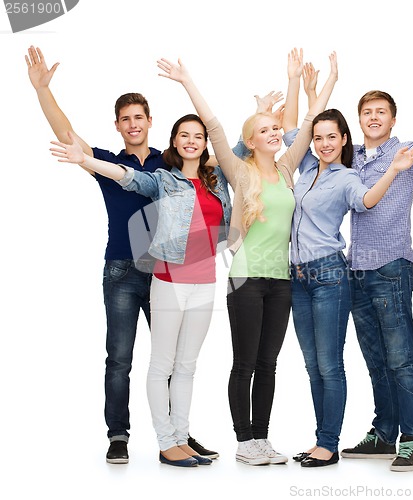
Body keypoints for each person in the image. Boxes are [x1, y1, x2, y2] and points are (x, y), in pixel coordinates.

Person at [25, 45, 218, 463]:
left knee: (175, 359)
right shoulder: (109, 162)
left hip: (172, 273)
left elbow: (213, 154)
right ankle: (118, 434)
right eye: (125, 119)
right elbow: (67, 136)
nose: (133, 124)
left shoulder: (172, 162)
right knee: (121, 357)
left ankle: (178, 434)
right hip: (124, 272)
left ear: (150, 122)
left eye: (139, 117)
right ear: (118, 126)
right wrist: (43, 92)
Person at [156, 48, 338, 465]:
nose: (276, 132)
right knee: (245, 364)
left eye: (277, 127)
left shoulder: (289, 168)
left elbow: (309, 124)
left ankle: (262, 440)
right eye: (266, 129)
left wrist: (329, 80)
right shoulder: (241, 171)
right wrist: (187, 82)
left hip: (281, 280)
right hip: (246, 279)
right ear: (251, 140)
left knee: (269, 364)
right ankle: (243, 443)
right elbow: (215, 127)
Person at [50, 113, 231, 467]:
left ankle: (181, 437)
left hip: (205, 281)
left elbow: (235, 151)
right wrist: (84, 160)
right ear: (174, 143)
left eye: (198, 136)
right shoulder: (163, 178)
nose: (191, 141)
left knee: (187, 366)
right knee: (162, 364)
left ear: (205, 144)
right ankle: (166, 442)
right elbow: (128, 178)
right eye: (184, 135)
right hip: (168, 281)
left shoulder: (216, 182)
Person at [279, 60, 413, 468]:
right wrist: (309, 88)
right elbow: (296, 126)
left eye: (331, 137)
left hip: (329, 274)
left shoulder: (346, 177)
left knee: (330, 363)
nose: (323, 143)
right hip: (298, 276)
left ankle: (329, 443)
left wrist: (392, 171)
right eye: (318, 138)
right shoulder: (304, 168)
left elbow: (367, 200)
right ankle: (322, 438)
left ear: (344, 141)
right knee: (311, 365)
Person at [339, 60, 413, 472]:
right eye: (366, 112)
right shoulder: (349, 155)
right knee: (374, 358)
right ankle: (383, 432)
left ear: (392, 119)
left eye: (380, 112)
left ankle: (412, 439)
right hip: (356, 269)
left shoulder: (405, 153)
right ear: (359, 120)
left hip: (391, 268)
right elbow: (303, 140)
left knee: (400, 357)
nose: (373, 118)